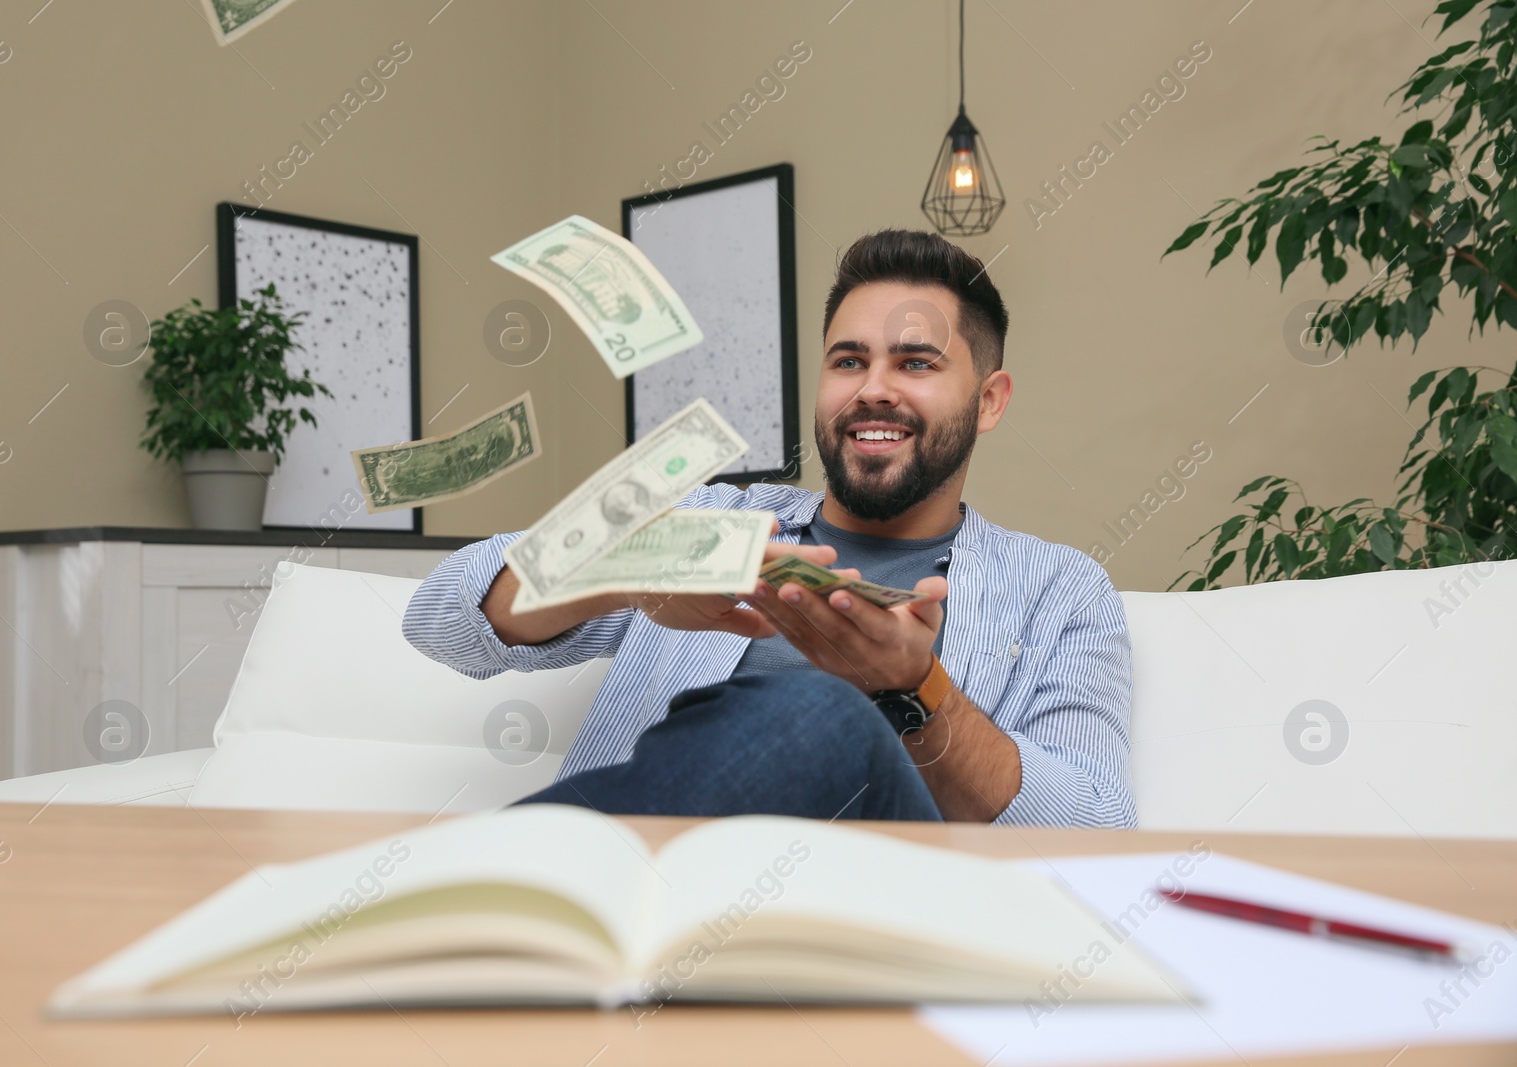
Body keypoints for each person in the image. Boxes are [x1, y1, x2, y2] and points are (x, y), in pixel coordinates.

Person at [403, 229, 1135, 827]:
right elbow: (439, 617)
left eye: (915, 363)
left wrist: (913, 688)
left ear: (988, 400)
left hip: (870, 934)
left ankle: (492, 887)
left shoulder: (1061, 590)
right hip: (653, 914)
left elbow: (1098, 832)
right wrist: (629, 572)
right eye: (849, 360)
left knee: (823, 711)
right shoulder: (715, 520)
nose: (873, 388)